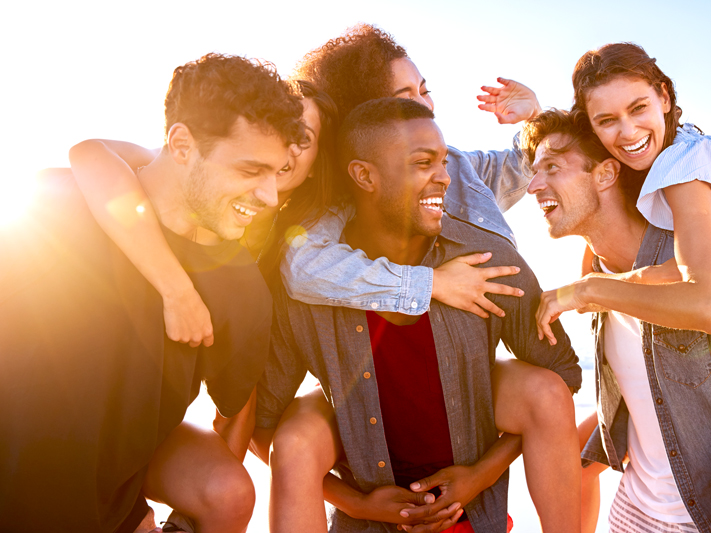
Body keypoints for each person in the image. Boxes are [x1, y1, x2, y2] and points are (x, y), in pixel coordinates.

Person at [0, 53, 306, 533]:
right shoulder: (49, 211)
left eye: (278, 173)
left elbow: (235, 417)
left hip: (110, 505)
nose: (269, 196)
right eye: (251, 171)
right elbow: (90, 153)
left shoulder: (242, 290)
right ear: (181, 145)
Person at [255, 97, 582, 533]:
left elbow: (565, 373)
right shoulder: (311, 283)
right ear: (364, 175)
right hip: (367, 519)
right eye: (422, 162)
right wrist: (359, 504)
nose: (444, 177)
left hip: (469, 514)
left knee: (546, 390)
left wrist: (479, 477)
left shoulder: (485, 257)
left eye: (444, 162)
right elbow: (264, 427)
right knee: (294, 437)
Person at [518, 43, 711, 533]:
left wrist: (588, 291)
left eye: (552, 168)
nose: (625, 132)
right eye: (607, 122)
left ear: (664, 97)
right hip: (640, 513)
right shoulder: (605, 265)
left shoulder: (698, 222)